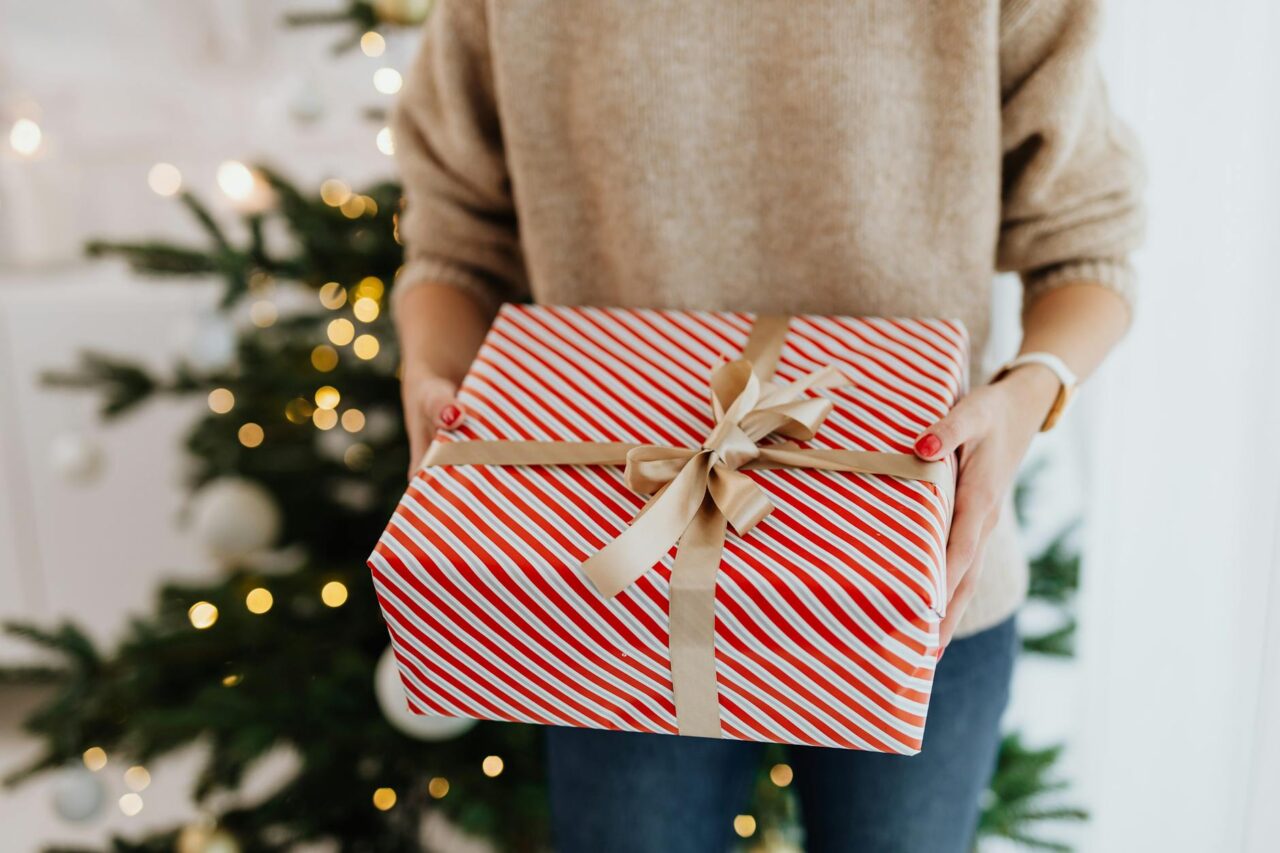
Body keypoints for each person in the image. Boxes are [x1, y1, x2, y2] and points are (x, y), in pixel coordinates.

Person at [389, 1, 1142, 850]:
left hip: (917, 587)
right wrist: (433, 373)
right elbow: (452, 243)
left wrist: (1025, 392)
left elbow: (1089, 251)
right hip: (608, 584)